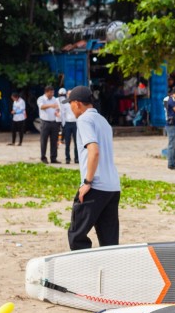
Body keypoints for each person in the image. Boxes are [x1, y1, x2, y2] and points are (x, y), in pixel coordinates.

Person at [66, 86, 121, 250]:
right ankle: (110, 272)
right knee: (109, 240)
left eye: (70, 104)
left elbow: (94, 151)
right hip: (112, 187)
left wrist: (87, 182)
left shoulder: (84, 120)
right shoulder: (103, 121)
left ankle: (84, 270)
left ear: (77, 104)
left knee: (77, 235)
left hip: (95, 185)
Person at [37, 85, 61, 163]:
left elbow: (57, 108)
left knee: (54, 141)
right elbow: (42, 107)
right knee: (44, 141)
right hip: (45, 122)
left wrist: (57, 112)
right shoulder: (41, 99)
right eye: (51, 92)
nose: (52, 94)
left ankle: (53, 158)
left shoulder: (54, 99)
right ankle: (43, 157)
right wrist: (51, 105)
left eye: (53, 92)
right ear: (46, 92)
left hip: (54, 122)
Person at [60, 88, 78, 163]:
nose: (70, 95)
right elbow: (62, 113)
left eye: (71, 94)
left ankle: (76, 158)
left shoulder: (76, 102)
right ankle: (67, 158)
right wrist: (63, 124)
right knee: (67, 142)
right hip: (67, 123)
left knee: (77, 142)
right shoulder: (64, 102)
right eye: (68, 94)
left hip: (75, 123)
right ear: (67, 94)